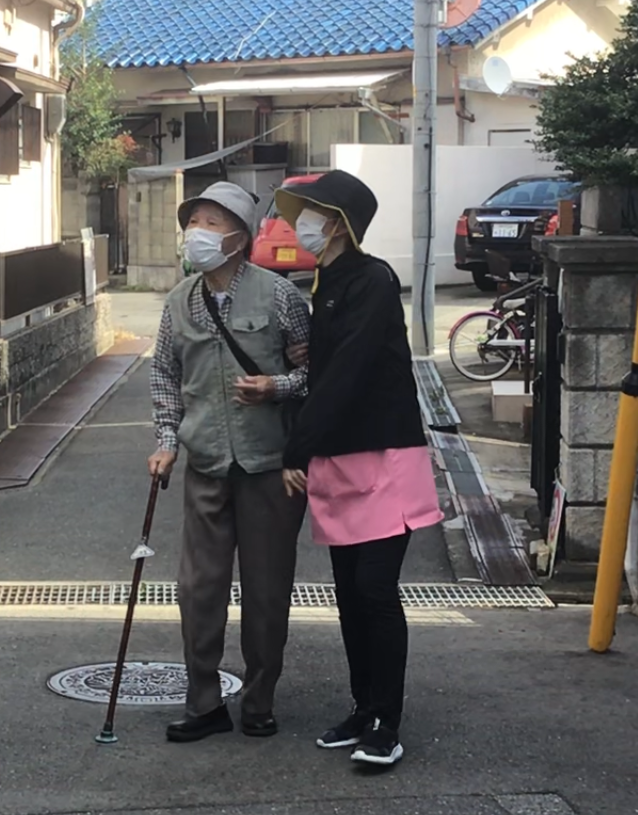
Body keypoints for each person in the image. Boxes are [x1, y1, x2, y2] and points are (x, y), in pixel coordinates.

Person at [273, 170, 442, 770]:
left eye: (314, 214)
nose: (303, 225)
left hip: (385, 453)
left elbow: (348, 370)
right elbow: (327, 366)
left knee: (374, 589)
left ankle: (387, 723)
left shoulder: (372, 278)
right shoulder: (325, 283)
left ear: (339, 225)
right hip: (341, 455)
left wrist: (297, 449)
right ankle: (363, 707)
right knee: (348, 592)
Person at [148, 182, 312, 743]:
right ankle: (204, 701)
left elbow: (315, 372)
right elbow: (165, 373)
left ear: (240, 238)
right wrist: (167, 440)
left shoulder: (280, 296)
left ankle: (260, 700)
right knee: (198, 588)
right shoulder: (179, 302)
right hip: (207, 461)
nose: (197, 233)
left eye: (211, 223)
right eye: (193, 222)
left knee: (267, 591)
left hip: (270, 466)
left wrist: (276, 387)